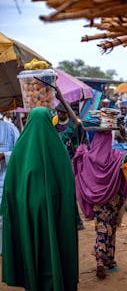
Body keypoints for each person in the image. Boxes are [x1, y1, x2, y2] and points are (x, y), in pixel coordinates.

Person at [1, 107, 78, 291]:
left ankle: (33, 281)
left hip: (27, 211)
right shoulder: (57, 146)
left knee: (31, 245)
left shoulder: (20, 148)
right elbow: (67, 185)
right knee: (53, 244)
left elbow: (12, 186)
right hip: (54, 210)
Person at [73, 125, 127, 279]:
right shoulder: (116, 156)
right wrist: (126, 135)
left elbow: (78, 155)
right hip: (113, 200)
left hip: (97, 201)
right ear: (110, 141)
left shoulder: (88, 157)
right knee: (111, 227)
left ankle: (105, 259)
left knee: (102, 227)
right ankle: (106, 260)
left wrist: (83, 134)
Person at [53, 88, 85, 230]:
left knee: (70, 192)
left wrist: (61, 100)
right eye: (58, 111)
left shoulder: (68, 129)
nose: (60, 114)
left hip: (70, 162)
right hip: (56, 164)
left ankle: (77, 220)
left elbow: (76, 122)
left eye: (62, 111)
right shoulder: (53, 127)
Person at [0, 120, 19, 254]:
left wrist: (4, 156)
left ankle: (5, 249)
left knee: (4, 216)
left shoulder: (10, 128)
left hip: (6, 179)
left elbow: (20, 152)